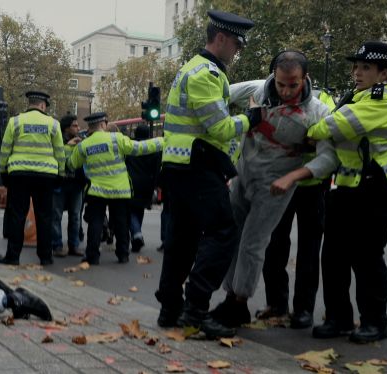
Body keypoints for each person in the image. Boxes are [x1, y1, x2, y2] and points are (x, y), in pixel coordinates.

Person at [210, 51, 338, 328]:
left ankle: (238, 302)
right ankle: (230, 297)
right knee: (232, 235)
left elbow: (329, 158)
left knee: (254, 242)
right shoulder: (256, 90)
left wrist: (292, 177)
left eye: (293, 84)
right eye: (281, 84)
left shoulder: (317, 112)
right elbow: (219, 96)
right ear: (274, 76)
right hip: (243, 176)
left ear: (305, 78)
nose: (286, 91)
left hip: (276, 186)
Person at [154, 10, 255, 339]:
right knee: (224, 231)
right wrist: (251, 118)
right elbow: (221, 128)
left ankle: (170, 309)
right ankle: (195, 309)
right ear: (221, 38)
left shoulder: (193, 68)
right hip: (196, 165)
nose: (237, 51)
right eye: (237, 44)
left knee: (182, 239)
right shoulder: (207, 74)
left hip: (181, 165)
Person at [308, 41, 387, 343]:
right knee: (334, 256)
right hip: (348, 185)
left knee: (367, 257)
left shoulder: (386, 97)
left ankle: (375, 322)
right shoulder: (355, 96)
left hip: (378, 186)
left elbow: (335, 126)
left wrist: (312, 131)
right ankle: (338, 319)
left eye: (365, 67)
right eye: (355, 66)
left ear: (384, 73)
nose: (357, 72)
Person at [255, 78, 337, 329]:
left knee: (309, 251)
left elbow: (327, 133)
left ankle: (303, 309)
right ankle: (276, 304)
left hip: (312, 185)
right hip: (279, 183)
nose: (286, 88)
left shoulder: (322, 99)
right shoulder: (269, 98)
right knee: (274, 245)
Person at [67, 112, 163, 265]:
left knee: (95, 223)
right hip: (120, 190)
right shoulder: (116, 139)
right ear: (104, 124)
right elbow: (140, 148)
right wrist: (163, 141)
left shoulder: (84, 145)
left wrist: (69, 148)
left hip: (96, 191)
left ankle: (92, 255)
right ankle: (123, 254)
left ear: (91, 127)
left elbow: (72, 164)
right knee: (121, 223)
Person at [0, 91, 65, 266]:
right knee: (45, 217)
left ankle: (12, 256)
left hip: (19, 175)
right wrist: (61, 173)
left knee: (17, 216)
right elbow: (60, 152)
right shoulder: (53, 124)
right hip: (46, 176)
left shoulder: (15, 121)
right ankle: (45, 257)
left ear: (30, 103)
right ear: (43, 105)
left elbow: (5, 149)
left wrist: (4, 171)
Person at [51, 114, 86, 257]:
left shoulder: (81, 142)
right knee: (56, 216)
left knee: (76, 216)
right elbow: (56, 158)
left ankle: (74, 245)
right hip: (60, 183)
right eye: (75, 125)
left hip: (77, 184)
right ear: (66, 128)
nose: (78, 128)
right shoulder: (58, 141)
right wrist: (68, 146)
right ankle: (57, 245)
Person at [125, 124, 162, 252]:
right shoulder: (154, 148)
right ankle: (136, 238)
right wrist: (156, 185)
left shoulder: (130, 147)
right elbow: (157, 168)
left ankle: (137, 234)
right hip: (148, 184)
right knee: (139, 210)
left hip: (132, 182)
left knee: (130, 210)